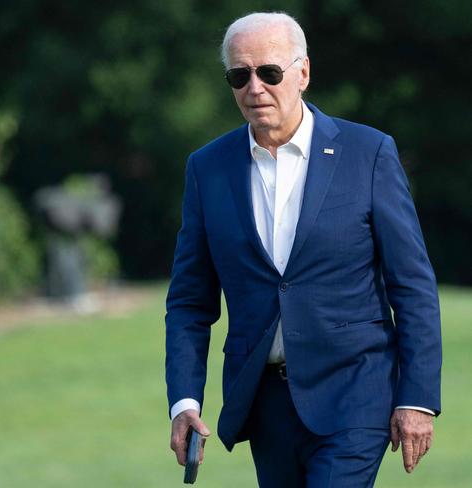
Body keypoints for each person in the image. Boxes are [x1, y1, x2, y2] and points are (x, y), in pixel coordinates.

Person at [165, 11, 441, 487]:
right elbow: (190, 302)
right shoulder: (207, 169)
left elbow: (412, 283)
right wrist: (185, 402)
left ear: (303, 73)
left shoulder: (368, 153)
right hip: (265, 401)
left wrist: (416, 399)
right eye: (240, 75)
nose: (255, 88)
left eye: (269, 73)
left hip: (356, 392)